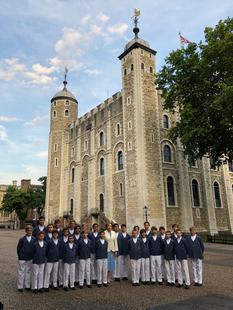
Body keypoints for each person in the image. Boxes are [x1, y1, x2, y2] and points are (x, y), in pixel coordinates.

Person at [17, 225, 36, 292]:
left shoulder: (34, 239)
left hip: (30, 258)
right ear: (26, 231)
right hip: (22, 258)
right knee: (21, 272)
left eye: (31, 230)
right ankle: (20, 286)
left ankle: (27, 285)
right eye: (28, 230)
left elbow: (34, 249)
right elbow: (18, 248)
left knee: (28, 272)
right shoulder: (22, 239)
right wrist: (20, 256)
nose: (29, 231)